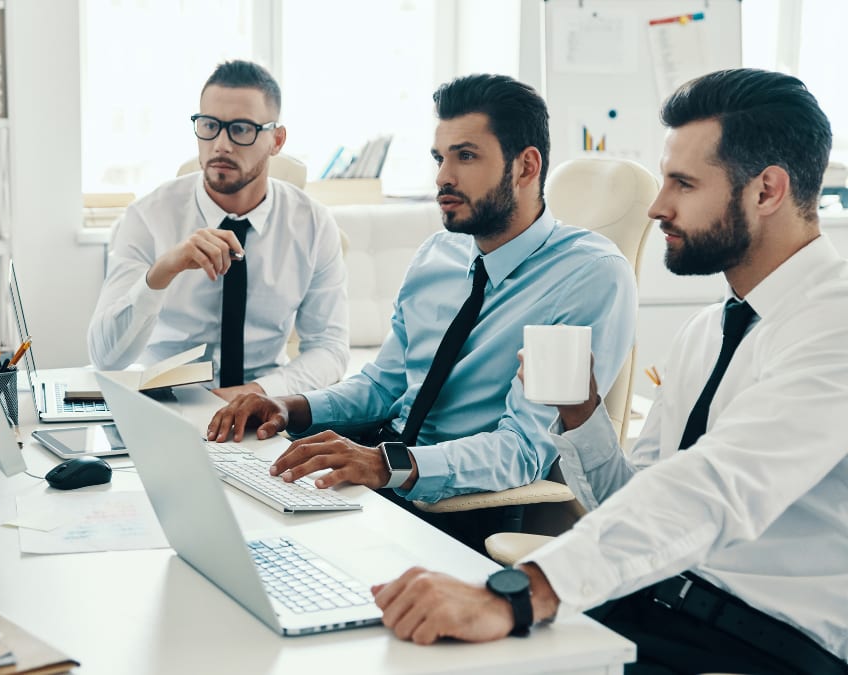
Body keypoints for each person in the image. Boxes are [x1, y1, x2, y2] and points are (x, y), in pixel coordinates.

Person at [370, 69, 848, 674]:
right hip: (647, 604)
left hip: (756, 643)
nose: (657, 206)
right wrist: (583, 416)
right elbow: (634, 497)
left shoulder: (835, 325)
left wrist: (525, 593)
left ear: (767, 190)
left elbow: (716, 488)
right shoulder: (708, 332)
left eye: (683, 183)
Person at [207, 74, 636, 512]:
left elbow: (523, 449)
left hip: (454, 505)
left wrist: (386, 465)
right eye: (439, 158)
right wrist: (287, 406)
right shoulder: (439, 254)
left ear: (526, 166)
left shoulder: (588, 276)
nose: (444, 177)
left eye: (466, 156)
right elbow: (384, 385)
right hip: (378, 471)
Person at [87, 60, 348, 402]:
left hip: (263, 409)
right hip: (164, 406)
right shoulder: (148, 217)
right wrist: (163, 271)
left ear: (277, 140)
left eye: (241, 129)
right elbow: (106, 358)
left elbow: (330, 350)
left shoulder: (313, 225)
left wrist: (257, 394)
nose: (221, 144)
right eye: (209, 125)